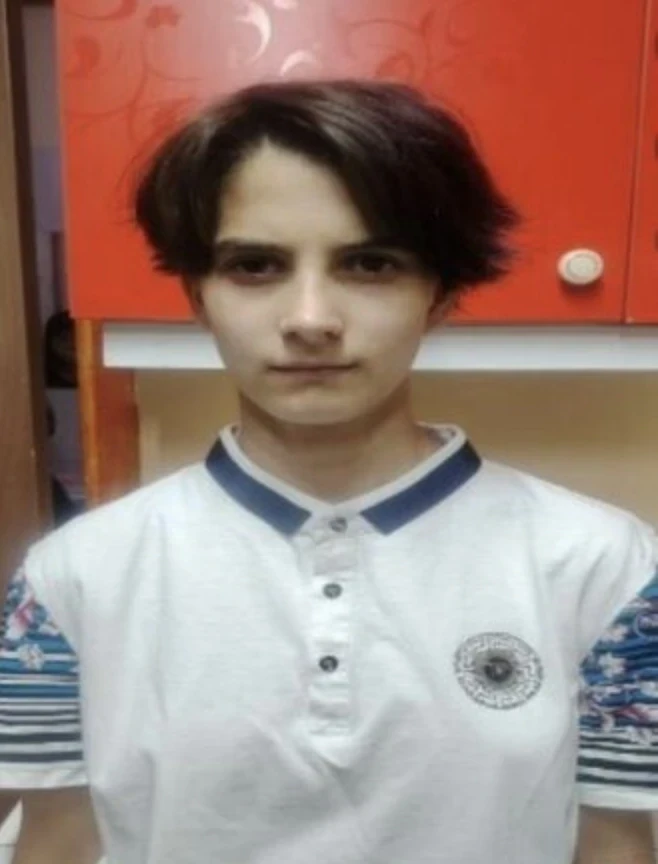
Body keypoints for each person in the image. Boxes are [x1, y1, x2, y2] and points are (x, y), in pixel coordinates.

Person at [0, 79, 656, 864]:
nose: (310, 319)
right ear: (198, 296)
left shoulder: (607, 570)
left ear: (441, 294)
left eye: (369, 264)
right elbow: (58, 843)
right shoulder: (71, 579)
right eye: (255, 266)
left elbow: (616, 847)